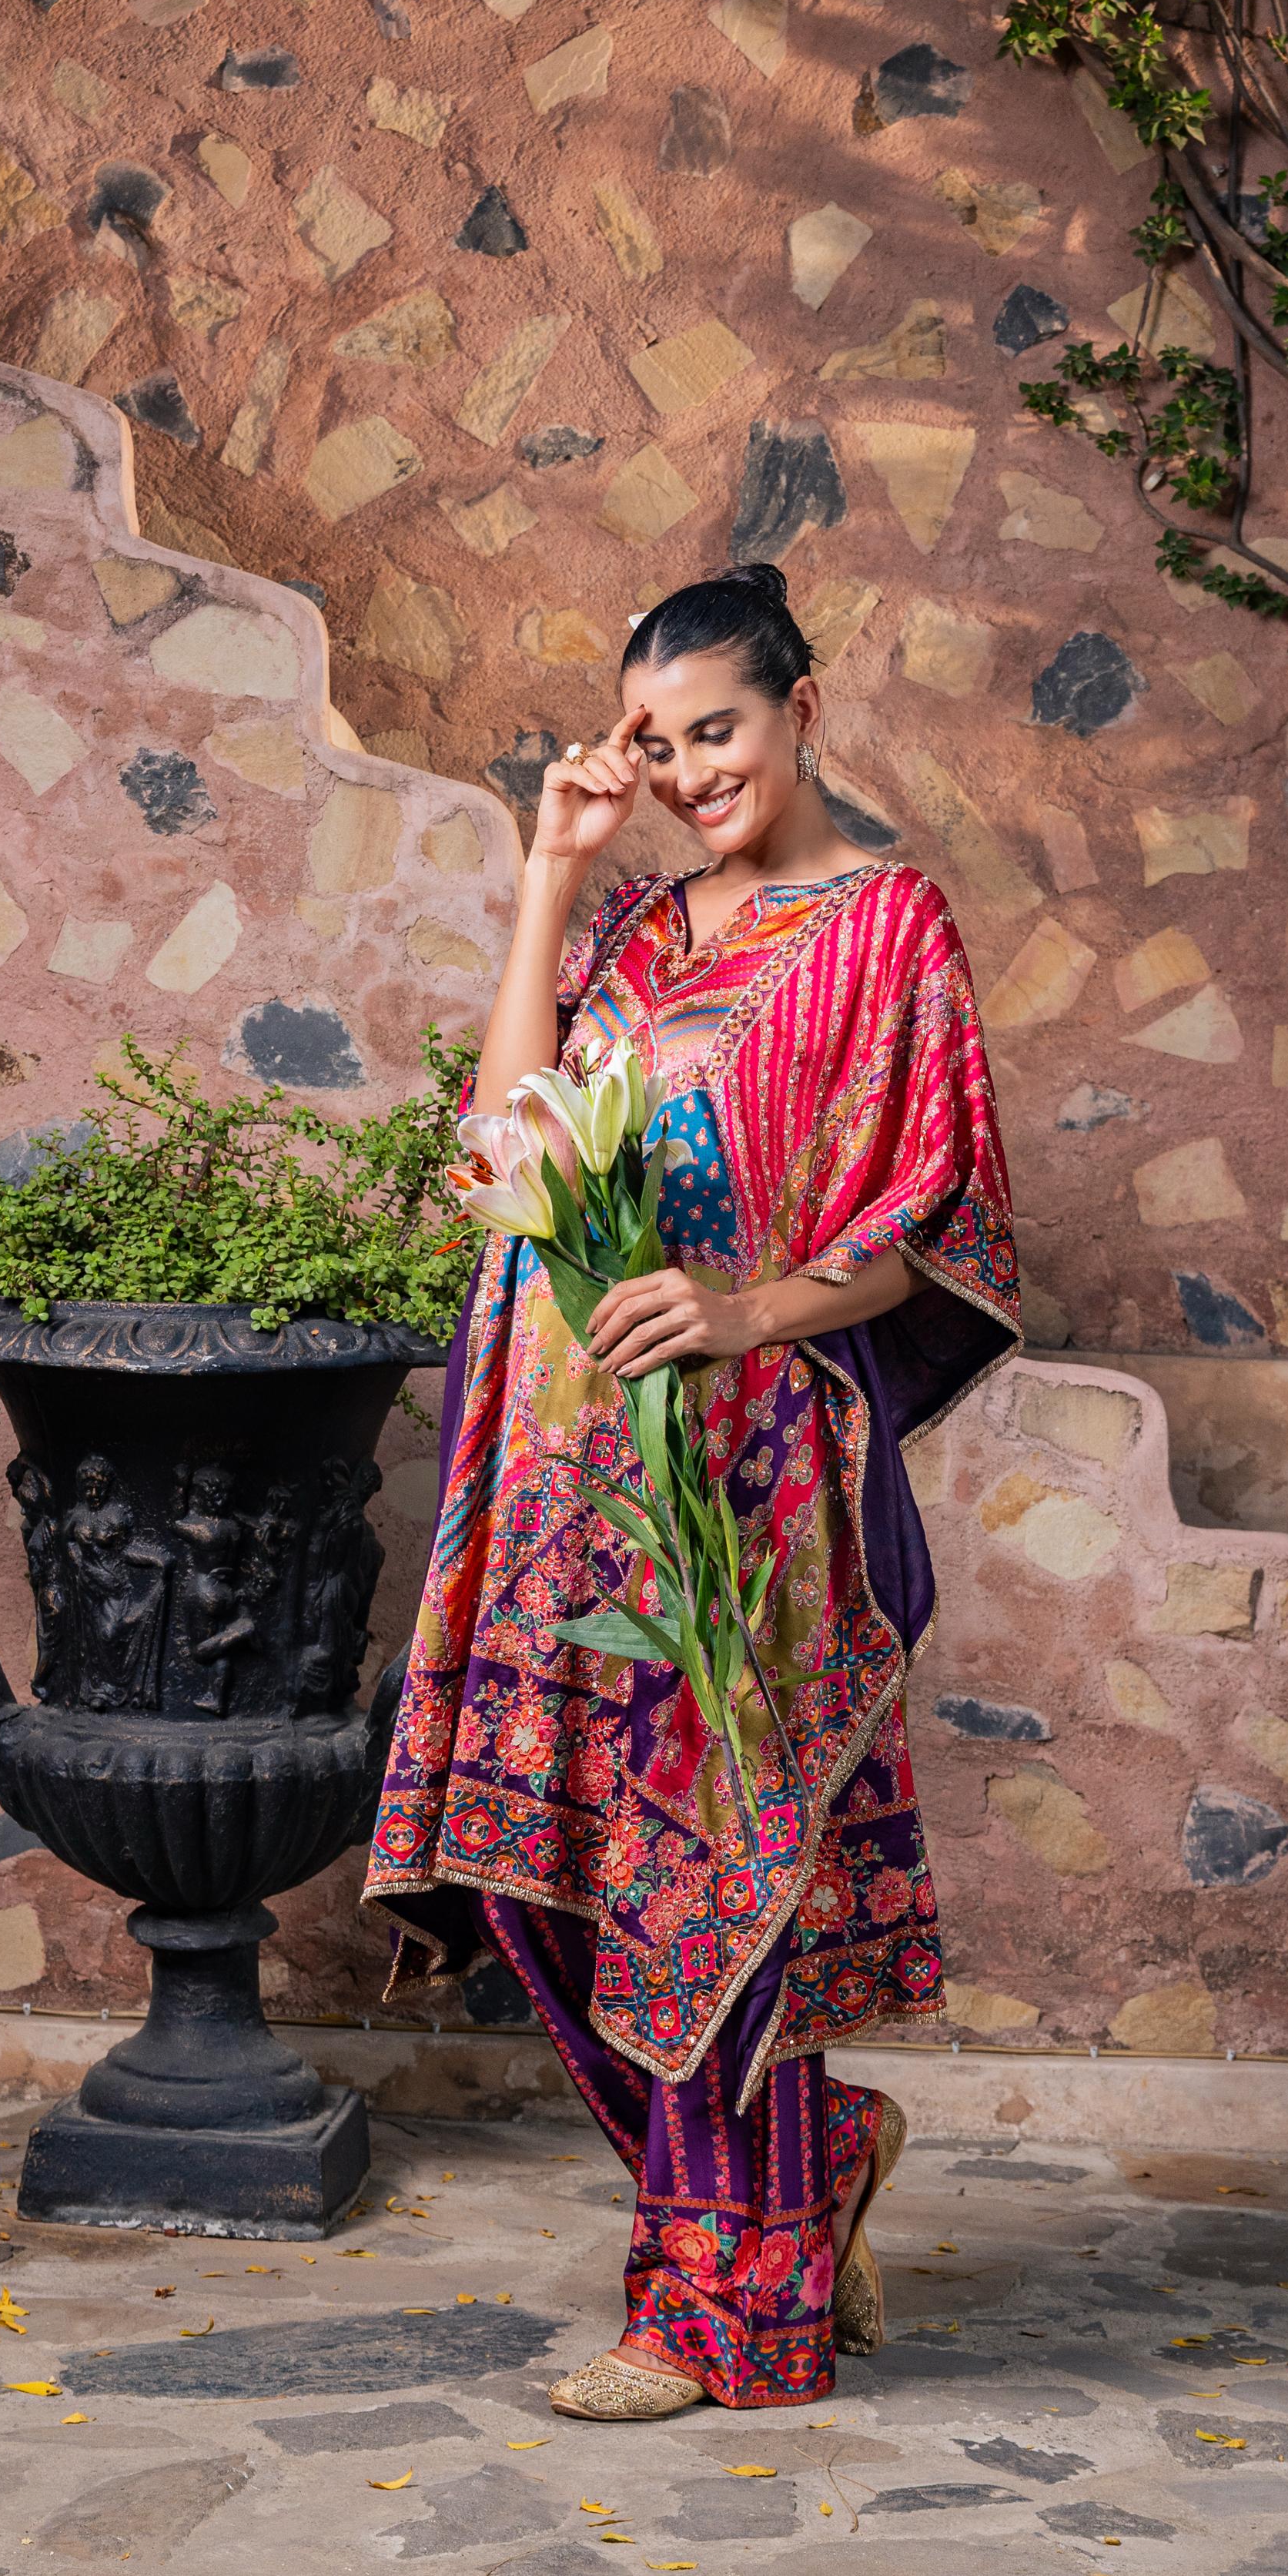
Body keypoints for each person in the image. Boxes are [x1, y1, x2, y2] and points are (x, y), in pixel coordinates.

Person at [364, 558, 1019, 2418]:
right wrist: (550, 871)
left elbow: (931, 1215)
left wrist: (742, 1312)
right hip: (557, 1467)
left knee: (708, 1884)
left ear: (801, 709)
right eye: (653, 744)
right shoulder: (635, 932)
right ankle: (814, 2164)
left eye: (714, 730)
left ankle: (717, 2310)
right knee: (541, 1876)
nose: (684, 772)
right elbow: (504, 1153)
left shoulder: (886, 925)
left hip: (748, 1481)